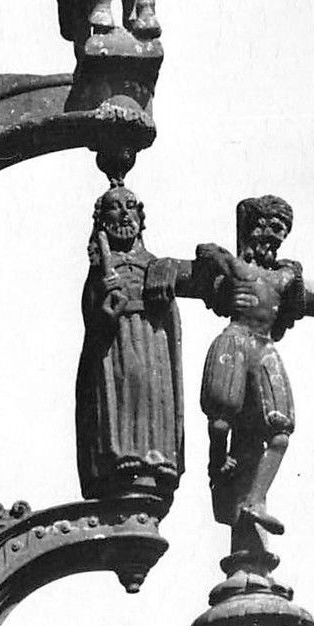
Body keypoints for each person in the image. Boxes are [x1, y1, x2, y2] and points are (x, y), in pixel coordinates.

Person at [193, 195, 304, 534]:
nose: (276, 235)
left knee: (281, 430)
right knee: (221, 419)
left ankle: (255, 501)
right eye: (271, 226)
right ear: (254, 228)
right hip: (237, 340)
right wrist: (222, 274)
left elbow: (296, 297)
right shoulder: (237, 267)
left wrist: (297, 275)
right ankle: (217, 466)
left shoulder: (283, 276)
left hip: (264, 346)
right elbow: (206, 251)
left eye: (282, 229)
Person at [75, 185, 183, 502]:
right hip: (117, 340)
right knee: (126, 386)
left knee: (152, 390)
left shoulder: (155, 263)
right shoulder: (100, 267)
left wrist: (168, 271)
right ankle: (122, 453)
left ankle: (156, 455)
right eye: (115, 207)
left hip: (152, 337)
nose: (124, 213)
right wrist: (105, 299)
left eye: (130, 205)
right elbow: (93, 317)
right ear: (102, 220)